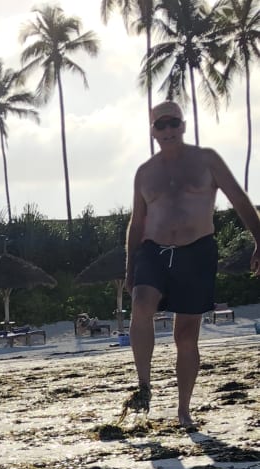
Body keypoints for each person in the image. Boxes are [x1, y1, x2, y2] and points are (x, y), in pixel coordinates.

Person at [122, 99, 260, 429]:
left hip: (197, 252)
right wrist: (129, 267)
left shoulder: (206, 160)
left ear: (183, 126)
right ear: (153, 131)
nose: (168, 129)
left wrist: (259, 239)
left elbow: (239, 199)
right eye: (161, 124)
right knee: (141, 303)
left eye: (174, 122)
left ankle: (183, 409)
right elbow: (137, 223)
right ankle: (144, 387)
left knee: (185, 337)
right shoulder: (145, 172)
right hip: (154, 251)